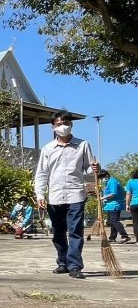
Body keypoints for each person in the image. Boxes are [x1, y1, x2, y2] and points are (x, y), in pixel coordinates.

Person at [34, 111, 99, 279]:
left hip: (76, 194)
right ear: (53, 127)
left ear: (71, 125)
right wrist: (40, 195)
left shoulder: (83, 145)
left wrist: (95, 169)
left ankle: (75, 265)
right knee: (58, 232)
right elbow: (42, 173)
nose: (62, 126)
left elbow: (89, 169)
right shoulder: (48, 149)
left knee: (75, 231)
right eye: (58, 124)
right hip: (55, 196)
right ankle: (62, 262)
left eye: (65, 123)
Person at [98, 170, 130, 243]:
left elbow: (113, 194)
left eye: (101, 178)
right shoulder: (108, 182)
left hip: (115, 204)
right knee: (112, 222)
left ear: (106, 175)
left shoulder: (113, 182)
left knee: (114, 221)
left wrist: (102, 198)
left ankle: (124, 236)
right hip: (109, 205)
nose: (101, 180)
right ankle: (112, 237)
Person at [125, 169, 138, 242]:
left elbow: (128, 194)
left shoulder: (130, 182)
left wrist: (127, 204)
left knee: (136, 223)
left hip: (134, 204)